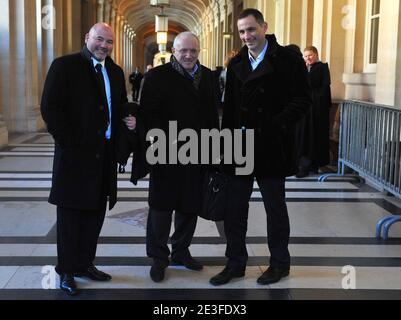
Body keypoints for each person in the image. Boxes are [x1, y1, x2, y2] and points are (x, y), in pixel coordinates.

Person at [210, 9, 311, 286]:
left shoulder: (288, 58)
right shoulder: (238, 62)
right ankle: (235, 264)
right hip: (239, 147)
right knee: (235, 210)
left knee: (275, 209)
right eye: (242, 31)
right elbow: (229, 110)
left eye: (251, 29)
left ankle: (279, 264)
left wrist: (275, 125)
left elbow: (303, 100)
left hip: (271, 146)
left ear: (264, 27)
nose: (247, 36)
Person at [40, 23, 128, 296]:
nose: (104, 45)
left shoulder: (114, 71)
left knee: (95, 214)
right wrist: (69, 143)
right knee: (70, 216)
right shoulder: (64, 66)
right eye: (100, 39)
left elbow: (120, 106)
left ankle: (85, 263)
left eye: (109, 42)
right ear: (87, 37)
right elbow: (50, 107)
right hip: (75, 158)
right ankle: (66, 269)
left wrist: (131, 120)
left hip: (104, 157)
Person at [128, 31, 219, 283]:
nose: (188, 55)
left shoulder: (209, 76)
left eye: (193, 51)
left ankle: (181, 251)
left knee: (190, 205)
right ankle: (158, 257)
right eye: (183, 51)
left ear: (198, 51)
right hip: (166, 151)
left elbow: (213, 114)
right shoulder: (157, 76)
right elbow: (148, 115)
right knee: (161, 206)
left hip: (199, 151)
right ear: (174, 52)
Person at [296, 46, 332, 178]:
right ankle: (303, 165)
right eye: (305, 56)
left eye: (310, 55)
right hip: (305, 111)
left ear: (316, 54)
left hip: (317, 110)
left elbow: (323, 89)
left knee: (315, 137)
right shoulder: (303, 69)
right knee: (304, 137)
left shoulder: (322, 67)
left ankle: (314, 165)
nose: (308, 58)